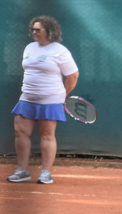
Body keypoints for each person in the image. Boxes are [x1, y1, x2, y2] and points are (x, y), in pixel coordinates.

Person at [9, 15, 79, 185]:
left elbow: (73, 76)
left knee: (47, 135)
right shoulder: (29, 48)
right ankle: (22, 171)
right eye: (33, 29)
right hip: (27, 97)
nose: (34, 32)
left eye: (38, 29)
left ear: (49, 31)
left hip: (50, 100)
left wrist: (62, 94)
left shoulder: (60, 51)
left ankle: (46, 172)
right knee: (20, 132)